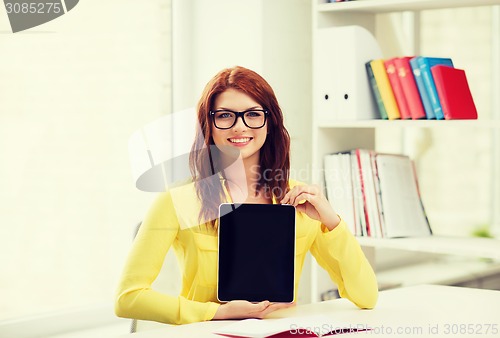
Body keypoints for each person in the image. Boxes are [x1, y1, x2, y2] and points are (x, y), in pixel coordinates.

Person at [114, 66, 378, 325]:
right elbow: (128, 298)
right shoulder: (177, 200)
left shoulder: (298, 200)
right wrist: (217, 313)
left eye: (252, 114)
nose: (239, 127)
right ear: (209, 124)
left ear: (270, 122)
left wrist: (331, 221)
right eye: (225, 116)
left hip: (281, 332)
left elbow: (366, 296)